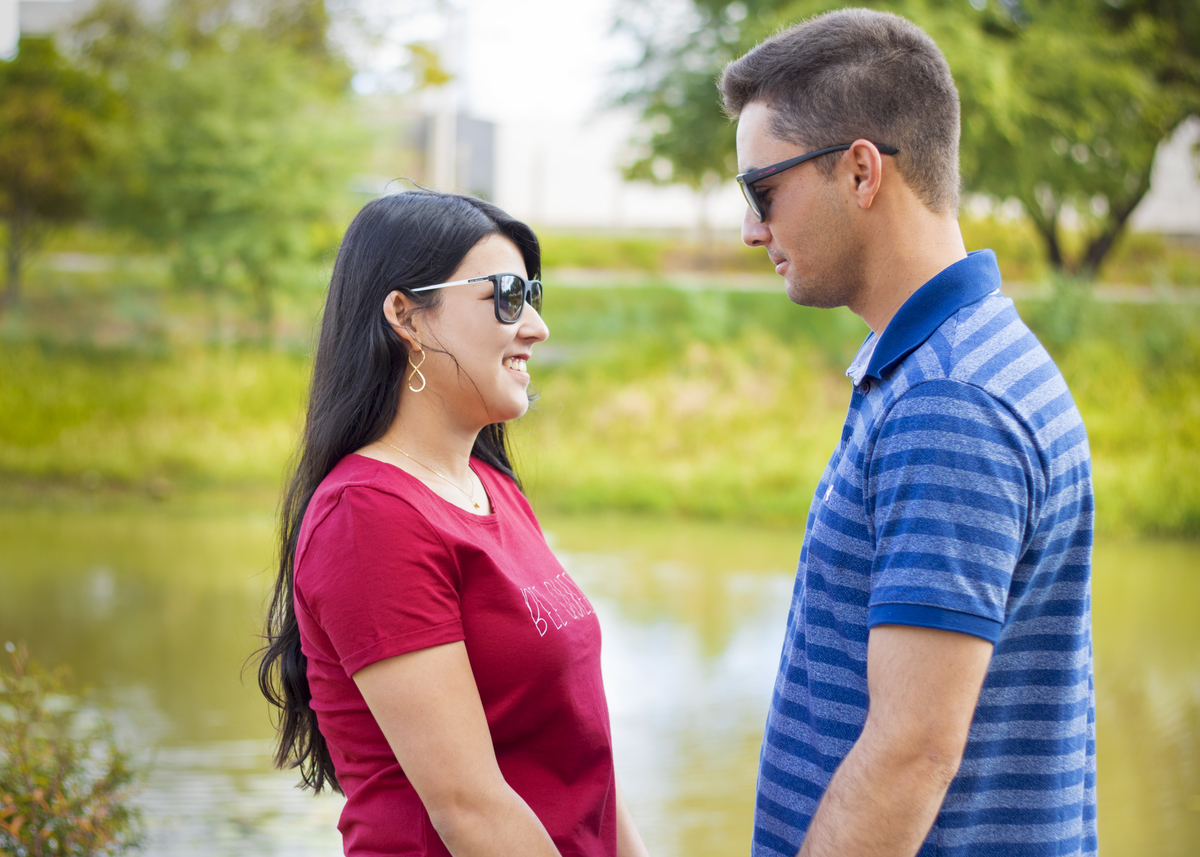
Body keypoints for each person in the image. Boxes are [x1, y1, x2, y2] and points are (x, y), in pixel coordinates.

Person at [719, 9, 1095, 857]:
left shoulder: (949, 401)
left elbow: (911, 751)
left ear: (861, 171)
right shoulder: (957, 358)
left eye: (761, 190)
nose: (750, 229)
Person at [257, 190, 648, 857]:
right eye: (506, 296)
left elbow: (589, 771)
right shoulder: (367, 516)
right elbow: (470, 810)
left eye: (533, 296)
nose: (535, 327)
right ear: (406, 316)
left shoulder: (491, 488)